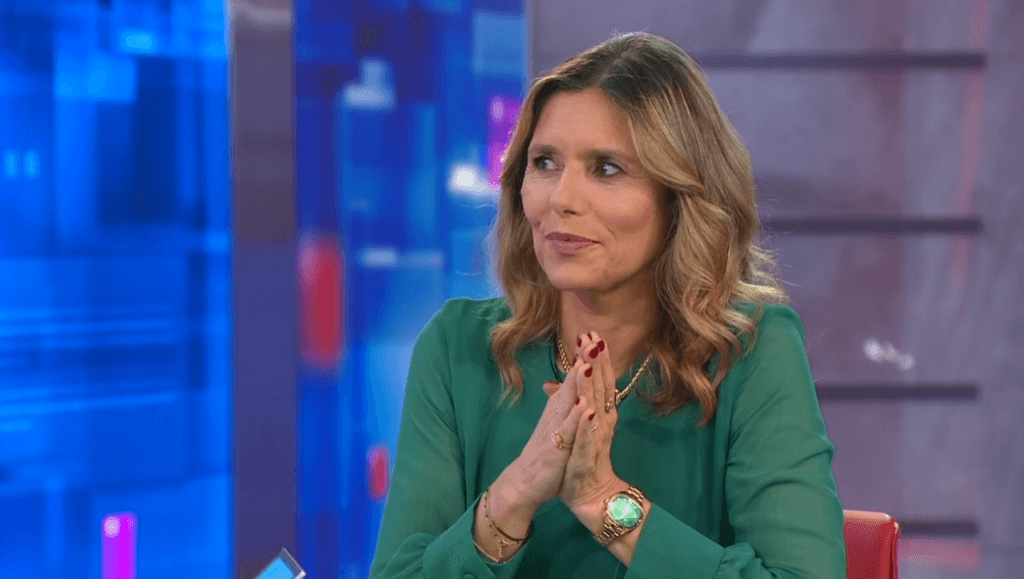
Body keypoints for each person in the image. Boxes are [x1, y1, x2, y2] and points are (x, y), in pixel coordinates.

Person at [369, 32, 846, 579]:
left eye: (607, 168)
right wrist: (512, 498)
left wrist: (603, 500)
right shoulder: (460, 349)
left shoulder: (751, 352)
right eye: (544, 163)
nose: (561, 199)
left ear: (679, 197)